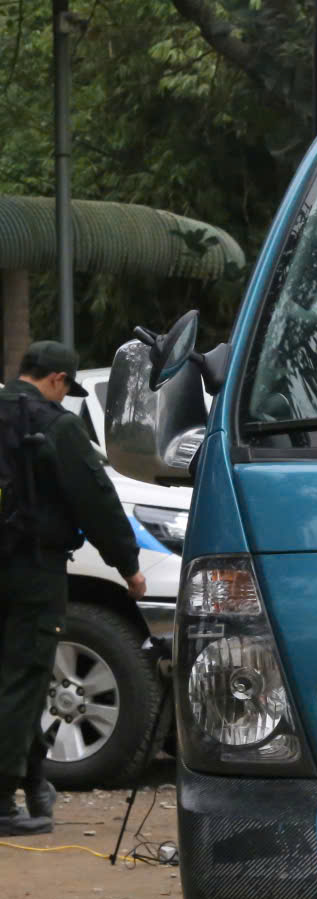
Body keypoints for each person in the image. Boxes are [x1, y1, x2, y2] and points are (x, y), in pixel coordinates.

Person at [1, 341, 145, 837]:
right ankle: (3, 802)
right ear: (59, 379)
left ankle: (35, 777)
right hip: (34, 572)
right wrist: (127, 565)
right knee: (24, 678)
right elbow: (97, 499)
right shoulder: (57, 426)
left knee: (17, 680)